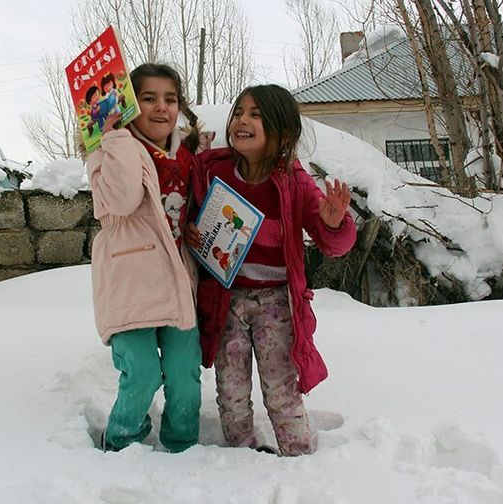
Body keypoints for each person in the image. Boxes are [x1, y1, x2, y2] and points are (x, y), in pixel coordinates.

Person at [187, 84, 357, 456]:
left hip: (277, 302)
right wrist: (191, 227)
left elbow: (335, 245)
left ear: (281, 132)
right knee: (230, 389)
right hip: (226, 299)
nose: (242, 121)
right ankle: (242, 456)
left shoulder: (294, 183)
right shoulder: (214, 170)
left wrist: (332, 222)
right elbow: (188, 208)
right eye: (239, 112)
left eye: (256, 115)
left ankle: (298, 456)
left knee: (281, 387)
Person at [86, 62, 203, 453]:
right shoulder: (105, 150)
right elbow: (122, 200)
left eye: (170, 99)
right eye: (149, 98)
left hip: (174, 278)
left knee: (185, 374)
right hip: (130, 279)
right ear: (130, 103)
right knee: (142, 373)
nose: (161, 108)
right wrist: (116, 139)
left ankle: (183, 444)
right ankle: (122, 440)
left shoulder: (184, 155)